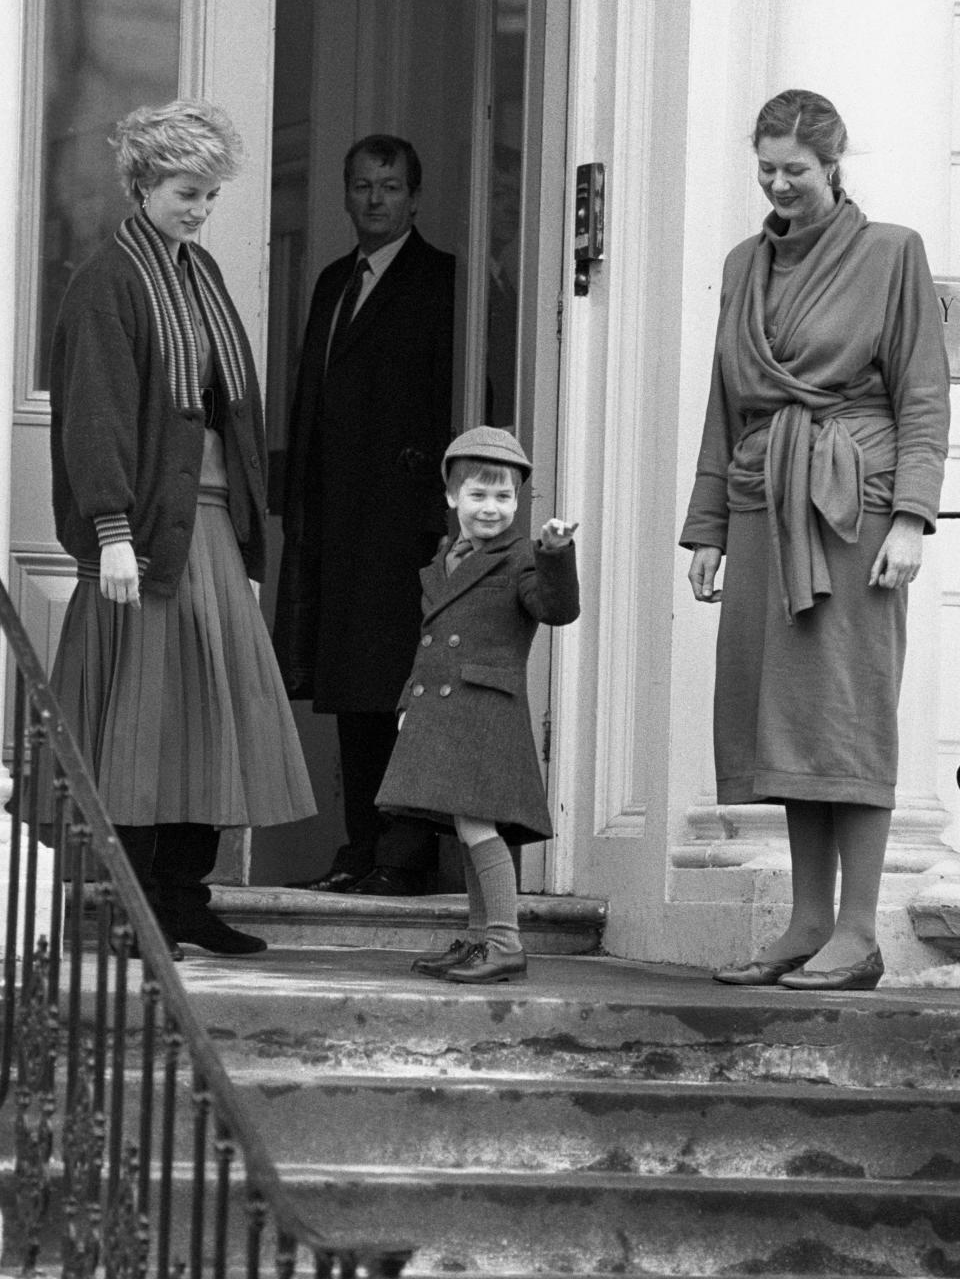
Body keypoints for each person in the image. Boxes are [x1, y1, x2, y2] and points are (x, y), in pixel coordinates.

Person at [680, 89, 950, 992]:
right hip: (763, 499)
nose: (779, 184)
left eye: (794, 169)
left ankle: (860, 931)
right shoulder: (740, 264)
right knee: (785, 715)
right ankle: (803, 923)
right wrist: (708, 527)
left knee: (847, 710)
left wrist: (912, 517)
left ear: (833, 164)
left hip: (853, 504)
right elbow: (725, 405)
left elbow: (921, 394)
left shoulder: (892, 253)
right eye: (765, 169)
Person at [47, 98, 317, 959]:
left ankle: (184, 900)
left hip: (206, 530)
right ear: (142, 185)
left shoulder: (200, 279)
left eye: (208, 195)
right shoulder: (107, 283)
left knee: (207, 721)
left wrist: (244, 540)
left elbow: (232, 420)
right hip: (144, 535)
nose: (199, 210)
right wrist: (112, 532)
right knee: (138, 726)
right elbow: (95, 418)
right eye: (185, 192)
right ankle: (131, 908)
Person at [274, 134, 454, 896]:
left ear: (415, 197)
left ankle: (405, 854)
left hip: (405, 519)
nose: (374, 200)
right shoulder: (331, 282)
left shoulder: (444, 280)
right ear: (344, 195)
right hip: (338, 519)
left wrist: (440, 506)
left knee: (402, 688)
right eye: (360, 186)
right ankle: (362, 845)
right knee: (351, 689)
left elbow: (453, 391)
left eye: (389, 186)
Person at [373, 426, 580, 983]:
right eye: (478, 495)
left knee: (476, 826)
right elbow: (429, 643)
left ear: (519, 501)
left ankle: (505, 940)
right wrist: (405, 703)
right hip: (442, 712)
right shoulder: (443, 561)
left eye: (504, 497)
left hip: (486, 714)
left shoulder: (522, 558)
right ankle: (478, 936)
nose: (491, 508)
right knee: (466, 827)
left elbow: (556, 610)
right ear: (451, 497)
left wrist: (556, 553)